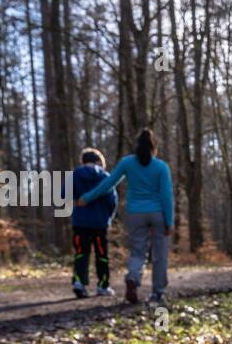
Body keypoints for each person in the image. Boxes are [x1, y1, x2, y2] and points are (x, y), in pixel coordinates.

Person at [75, 128, 174, 305]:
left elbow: (107, 184)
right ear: (154, 147)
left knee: (138, 251)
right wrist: (169, 221)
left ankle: (133, 278)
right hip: (158, 213)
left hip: (136, 213)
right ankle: (157, 293)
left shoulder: (127, 163)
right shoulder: (161, 167)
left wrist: (86, 198)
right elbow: (166, 196)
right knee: (160, 255)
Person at [68, 148, 117, 297]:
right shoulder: (105, 176)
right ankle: (103, 286)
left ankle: (79, 282)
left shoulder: (75, 175)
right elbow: (112, 201)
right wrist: (108, 218)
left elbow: (63, 194)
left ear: (83, 161)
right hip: (99, 223)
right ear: (98, 161)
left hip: (80, 222)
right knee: (102, 254)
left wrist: (76, 201)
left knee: (81, 253)